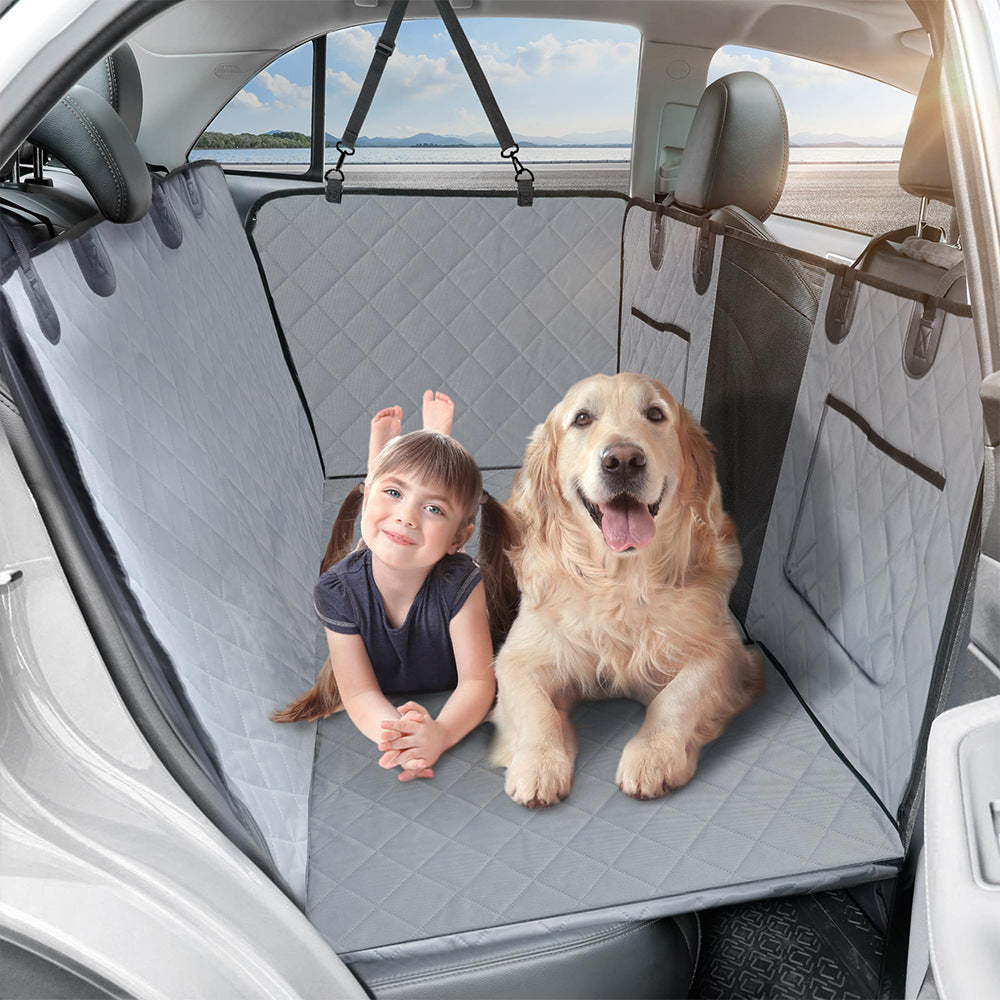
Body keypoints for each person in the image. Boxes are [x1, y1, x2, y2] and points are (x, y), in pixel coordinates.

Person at [273, 391, 518, 783]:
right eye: (394, 493)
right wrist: (400, 738)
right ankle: (394, 461)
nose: (407, 517)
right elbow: (359, 694)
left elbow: (477, 682)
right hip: (374, 562)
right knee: (379, 544)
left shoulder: (461, 581)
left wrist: (439, 733)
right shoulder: (337, 592)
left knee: (406, 539)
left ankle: (421, 451)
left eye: (433, 508)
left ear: (461, 537)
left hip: (434, 567)